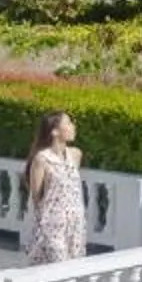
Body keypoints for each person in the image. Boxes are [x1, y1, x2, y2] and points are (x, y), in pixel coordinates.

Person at [22, 110, 87, 266]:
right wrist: (42, 228)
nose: (73, 127)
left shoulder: (75, 155)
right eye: (68, 123)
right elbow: (36, 197)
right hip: (52, 226)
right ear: (54, 131)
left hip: (75, 224)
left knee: (71, 273)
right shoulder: (42, 159)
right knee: (57, 271)